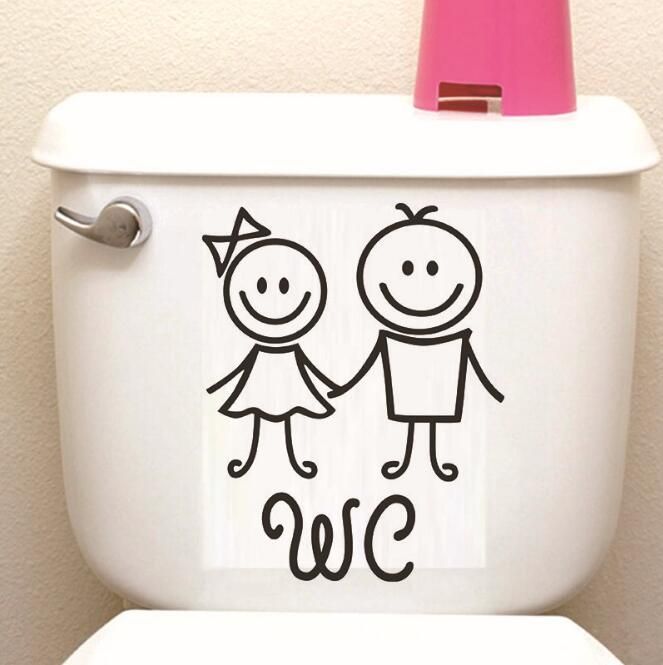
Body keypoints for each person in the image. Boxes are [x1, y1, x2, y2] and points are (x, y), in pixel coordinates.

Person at [329, 203, 504, 481]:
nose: (420, 279)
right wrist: (345, 387)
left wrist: (493, 391)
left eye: (433, 269)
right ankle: (408, 460)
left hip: (437, 365)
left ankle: (433, 461)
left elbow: (475, 367)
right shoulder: (392, 339)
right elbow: (367, 366)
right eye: (406, 269)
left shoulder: (456, 340)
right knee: (412, 416)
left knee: (432, 415)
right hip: (407, 365)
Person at [203, 208, 338, 479]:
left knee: (286, 418)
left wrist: (331, 384)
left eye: (285, 287)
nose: (275, 299)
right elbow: (241, 369)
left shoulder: (292, 347)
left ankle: (291, 460)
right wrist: (219, 384)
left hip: (286, 372)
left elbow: (308, 368)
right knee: (259, 419)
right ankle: (252, 459)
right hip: (262, 373)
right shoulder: (259, 348)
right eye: (261, 287)